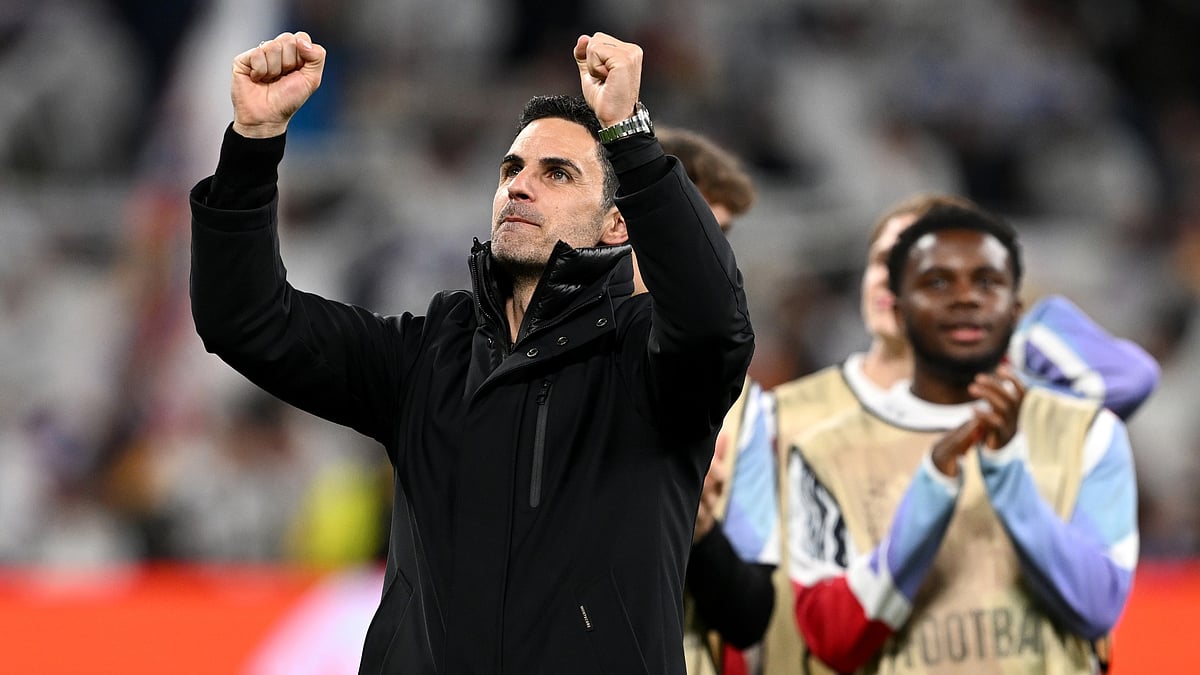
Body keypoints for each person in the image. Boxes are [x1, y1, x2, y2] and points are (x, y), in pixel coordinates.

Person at [188, 30, 754, 674]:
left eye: (557, 173)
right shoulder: (428, 351)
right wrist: (252, 145)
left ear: (616, 223)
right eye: (512, 169)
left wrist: (629, 134)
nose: (519, 187)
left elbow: (716, 324)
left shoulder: (647, 359)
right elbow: (245, 319)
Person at [783, 202, 1138, 673]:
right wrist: (931, 489)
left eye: (987, 281)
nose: (965, 297)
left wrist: (1008, 467)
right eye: (937, 282)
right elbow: (832, 640)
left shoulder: (1089, 432)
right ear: (900, 306)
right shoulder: (823, 452)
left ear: (1016, 309)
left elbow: (1097, 608)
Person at [640, 127, 776, 675]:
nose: (715, 261)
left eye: (722, 238)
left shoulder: (746, 414)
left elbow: (748, 614)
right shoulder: (546, 362)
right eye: (699, 233)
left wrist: (698, 526)